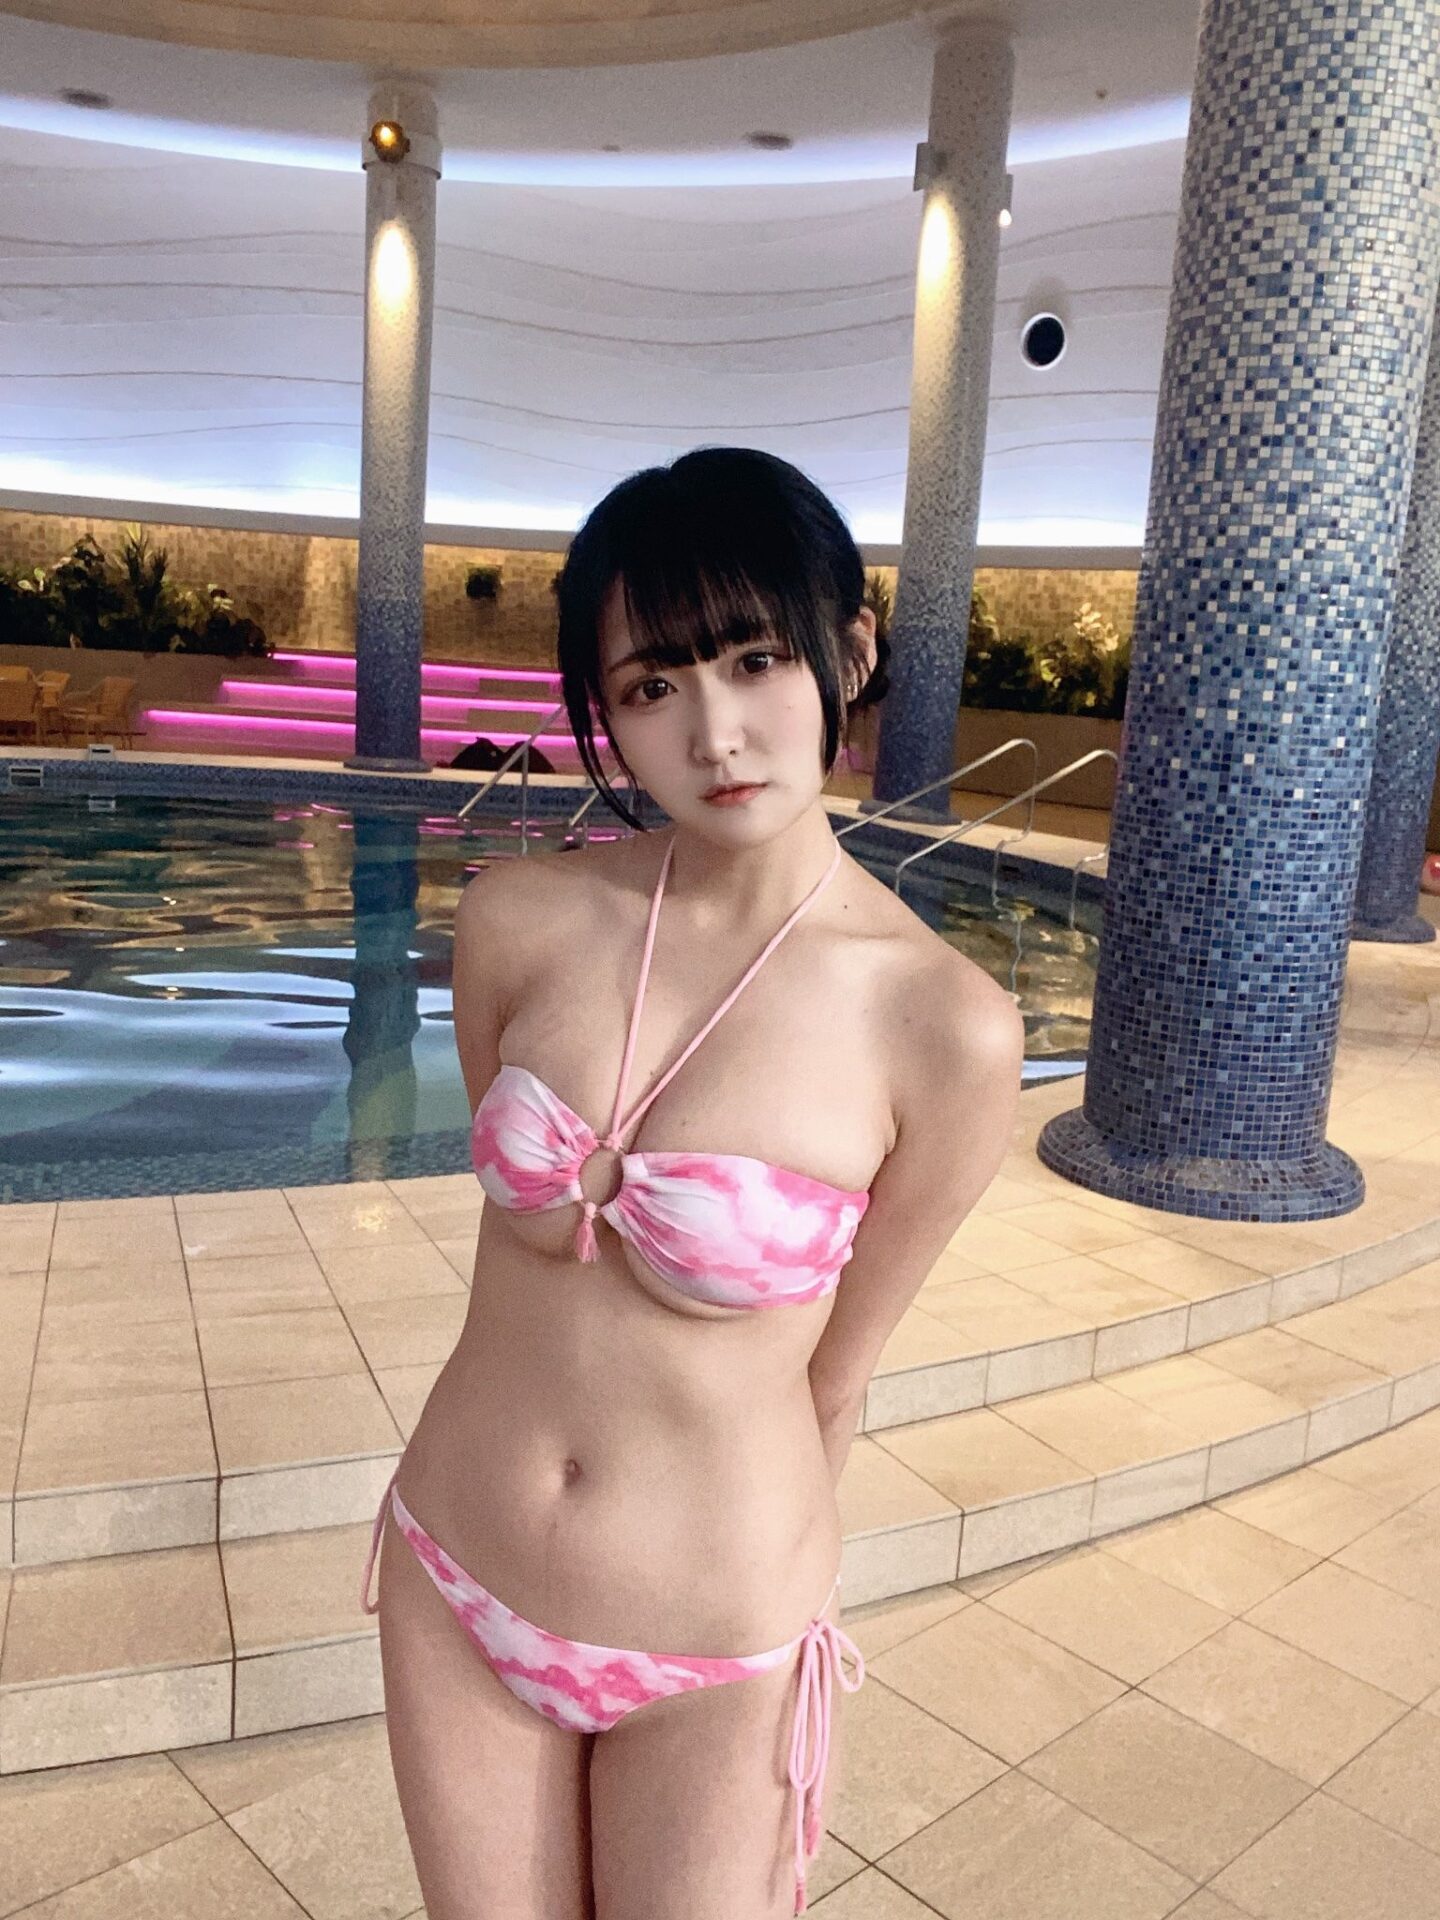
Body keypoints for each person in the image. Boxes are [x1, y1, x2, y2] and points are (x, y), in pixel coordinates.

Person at [360, 447, 1025, 1919]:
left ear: (851, 650)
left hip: (715, 1642)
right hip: (455, 1567)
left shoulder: (944, 1027)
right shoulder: (520, 921)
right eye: (654, 684)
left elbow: (837, 1378)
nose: (716, 732)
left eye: (755, 659)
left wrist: (781, 1600)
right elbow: (526, 1255)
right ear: (606, 712)